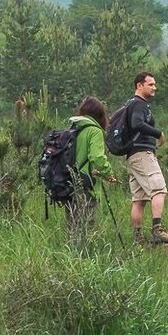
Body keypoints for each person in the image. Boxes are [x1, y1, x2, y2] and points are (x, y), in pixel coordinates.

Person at [126, 72, 168, 246]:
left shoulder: (131, 104)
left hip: (132, 156)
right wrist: (159, 134)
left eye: (154, 84)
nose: (154, 87)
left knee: (139, 199)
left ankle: (138, 238)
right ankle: (158, 230)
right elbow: (137, 124)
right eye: (150, 84)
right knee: (159, 190)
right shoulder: (139, 105)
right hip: (143, 154)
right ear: (139, 86)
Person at [66, 96, 118, 250]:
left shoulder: (74, 129)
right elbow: (97, 157)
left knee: (72, 223)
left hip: (67, 181)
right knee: (86, 222)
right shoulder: (94, 131)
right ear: (100, 114)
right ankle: (86, 254)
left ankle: (71, 253)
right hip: (84, 182)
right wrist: (108, 172)